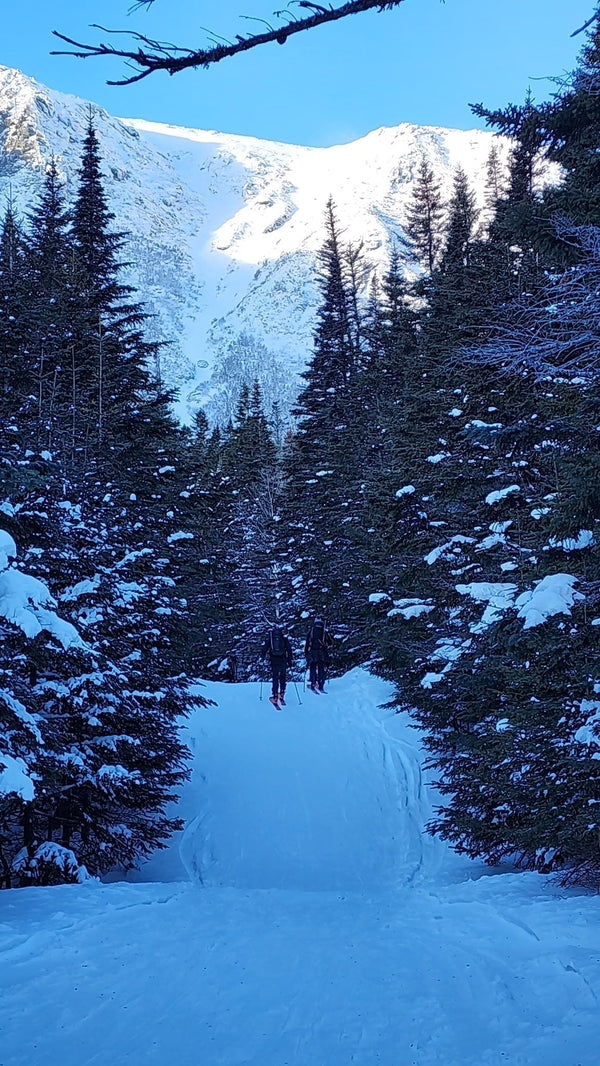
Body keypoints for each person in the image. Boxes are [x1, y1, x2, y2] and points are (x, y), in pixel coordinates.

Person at [261, 624, 293, 707]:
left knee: (275, 676)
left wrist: (262, 657)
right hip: (283, 659)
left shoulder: (271, 638)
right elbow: (289, 649)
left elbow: (265, 648)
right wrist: (290, 661)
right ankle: (282, 692)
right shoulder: (284, 638)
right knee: (283, 676)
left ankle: (275, 694)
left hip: (274, 660)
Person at [304, 615, 332, 693]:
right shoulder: (324, 631)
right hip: (322, 652)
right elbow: (330, 642)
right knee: (321, 668)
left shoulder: (311, 631)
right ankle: (321, 684)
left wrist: (306, 654)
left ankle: (313, 683)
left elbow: (307, 643)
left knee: (312, 667)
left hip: (313, 652)